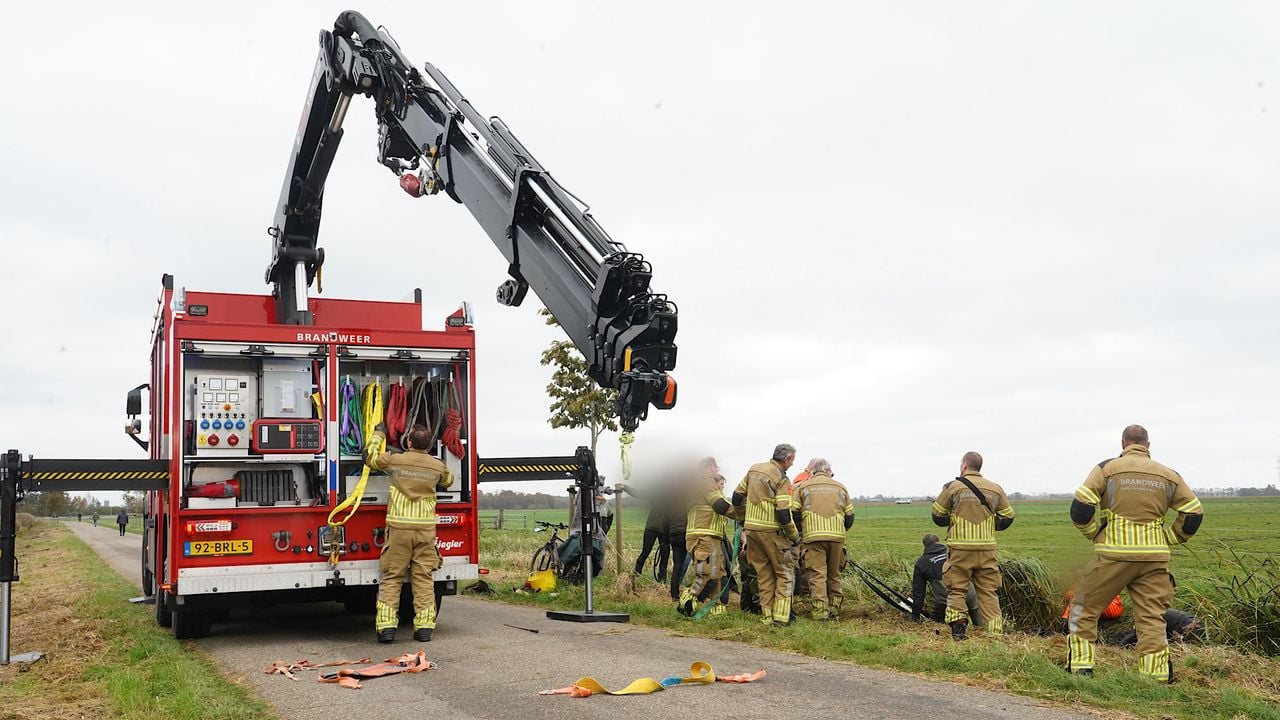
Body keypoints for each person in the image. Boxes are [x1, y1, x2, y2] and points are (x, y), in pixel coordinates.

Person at [1065, 425, 1202, 682]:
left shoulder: (1107, 469)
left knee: (1084, 609)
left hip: (1113, 556)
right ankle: (1156, 678)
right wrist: (1170, 538)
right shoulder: (1169, 475)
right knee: (1152, 618)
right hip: (1154, 558)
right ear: (1148, 446)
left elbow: (1080, 508)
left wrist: (1095, 533)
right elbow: (1194, 512)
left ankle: (1081, 669)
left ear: (1123, 443)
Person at [367, 423, 453, 643]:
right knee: (424, 579)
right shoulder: (437, 465)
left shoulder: (395, 460)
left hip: (399, 531)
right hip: (425, 532)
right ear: (429, 445)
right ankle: (424, 629)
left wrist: (379, 434)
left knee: (392, 577)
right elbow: (449, 480)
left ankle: (387, 629)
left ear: (408, 442)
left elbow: (370, 458)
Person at [931, 451, 1015, 640]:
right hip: (987, 550)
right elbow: (1008, 516)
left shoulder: (953, 487)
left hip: (960, 550)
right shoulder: (996, 489)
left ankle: (959, 632)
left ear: (964, 466)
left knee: (957, 589)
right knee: (988, 593)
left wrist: (953, 520)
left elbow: (937, 515)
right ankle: (995, 635)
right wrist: (989, 525)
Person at [732, 443, 799, 626]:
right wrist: (794, 536)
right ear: (787, 459)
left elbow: (736, 497)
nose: (792, 464)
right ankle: (782, 617)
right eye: (792, 460)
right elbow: (784, 514)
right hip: (773, 532)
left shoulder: (754, 469)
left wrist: (746, 516)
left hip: (752, 531)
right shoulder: (782, 479)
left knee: (763, 574)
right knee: (785, 572)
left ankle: (767, 616)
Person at [795, 459, 855, 619]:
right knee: (834, 574)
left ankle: (820, 613)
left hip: (812, 537)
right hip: (836, 537)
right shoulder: (840, 487)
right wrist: (841, 530)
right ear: (828, 470)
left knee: (817, 575)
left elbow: (794, 512)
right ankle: (835, 610)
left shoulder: (803, 487)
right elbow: (850, 516)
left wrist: (802, 530)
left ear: (813, 471)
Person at [678, 458, 736, 618]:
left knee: (718, 572)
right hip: (703, 535)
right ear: (710, 467)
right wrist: (743, 512)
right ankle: (689, 596)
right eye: (716, 467)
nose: (717, 470)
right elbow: (720, 505)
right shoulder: (705, 482)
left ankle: (717, 608)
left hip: (710, 536)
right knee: (707, 572)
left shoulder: (701, 484)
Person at [910, 534, 983, 625]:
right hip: (969, 591)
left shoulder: (921, 563)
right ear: (938, 541)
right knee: (980, 625)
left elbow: (919, 593)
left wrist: (915, 616)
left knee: (938, 625)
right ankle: (987, 634)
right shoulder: (953, 552)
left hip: (948, 599)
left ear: (925, 546)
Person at [559, 490, 611, 578]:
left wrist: (606, 528)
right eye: (598, 495)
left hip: (601, 535)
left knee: (600, 556)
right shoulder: (589, 503)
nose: (600, 496)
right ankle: (581, 575)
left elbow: (610, 516)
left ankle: (598, 577)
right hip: (590, 533)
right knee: (585, 553)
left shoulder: (605, 505)